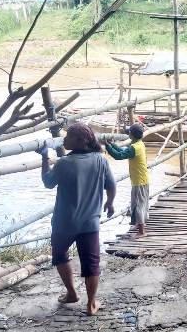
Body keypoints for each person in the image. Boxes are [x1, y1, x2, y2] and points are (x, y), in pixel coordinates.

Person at [39, 123, 116, 316]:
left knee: (60, 255)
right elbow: (111, 185)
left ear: (81, 141)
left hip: (64, 223)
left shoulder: (64, 163)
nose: (64, 139)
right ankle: (91, 304)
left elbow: (48, 183)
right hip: (90, 223)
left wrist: (43, 158)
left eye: (69, 136)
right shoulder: (101, 160)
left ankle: (72, 292)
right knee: (91, 264)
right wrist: (110, 203)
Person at [104, 123, 149, 239]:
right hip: (139, 179)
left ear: (132, 135)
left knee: (139, 205)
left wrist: (107, 146)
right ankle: (138, 225)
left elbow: (119, 156)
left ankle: (141, 231)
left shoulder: (135, 147)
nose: (128, 133)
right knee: (136, 204)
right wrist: (112, 145)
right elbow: (122, 151)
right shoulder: (139, 144)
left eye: (129, 132)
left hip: (139, 180)